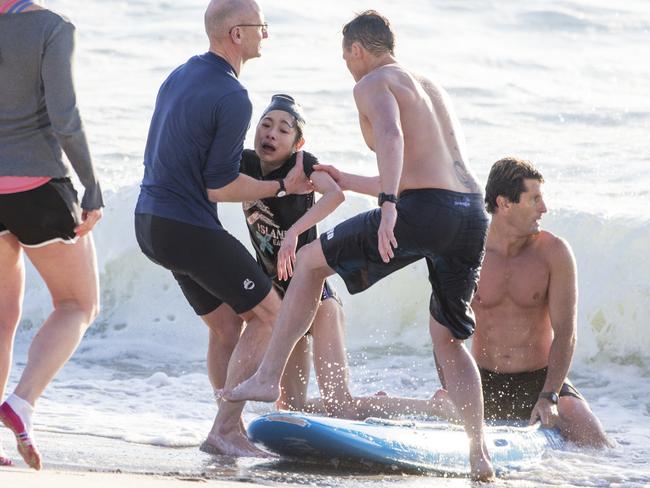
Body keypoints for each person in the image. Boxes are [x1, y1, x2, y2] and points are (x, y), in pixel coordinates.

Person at [223, 11, 494, 480]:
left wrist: (389, 204)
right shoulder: (428, 86)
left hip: (421, 208)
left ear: (356, 50)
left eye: (345, 57)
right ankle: (479, 455)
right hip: (470, 213)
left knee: (308, 262)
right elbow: (423, 174)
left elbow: (391, 139)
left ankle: (268, 377)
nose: (346, 66)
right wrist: (350, 181)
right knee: (449, 339)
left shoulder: (372, 81)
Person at [134, 0, 311, 457]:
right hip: (185, 225)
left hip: (149, 222)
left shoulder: (180, 73)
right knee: (270, 314)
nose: (265, 35)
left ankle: (223, 426)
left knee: (226, 325)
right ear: (237, 34)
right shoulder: (233, 95)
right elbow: (220, 186)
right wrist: (279, 186)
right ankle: (226, 430)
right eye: (261, 27)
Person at [219, 94, 449, 419]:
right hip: (279, 305)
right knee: (291, 407)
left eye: (284, 129)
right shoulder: (244, 164)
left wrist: (294, 232)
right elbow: (213, 181)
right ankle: (376, 403)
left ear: (298, 142)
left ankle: (432, 408)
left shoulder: (303, 165)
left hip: (317, 300)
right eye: (266, 125)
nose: (271, 133)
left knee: (340, 406)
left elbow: (335, 194)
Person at [438, 156, 612, 447]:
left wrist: (549, 396)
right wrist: (451, 387)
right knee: (436, 409)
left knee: (593, 436)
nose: (544, 208)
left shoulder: (553, 253)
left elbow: (566, 334)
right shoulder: (467, 250)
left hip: (538, 382)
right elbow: (444, 330)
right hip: (481, 380)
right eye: (535, 200)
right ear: (504, 203)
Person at [0, 0, 103, 470]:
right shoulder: (51, 27)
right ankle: (21, 402)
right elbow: (65, 116)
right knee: (78, 304)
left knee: (2, 317)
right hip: (38, 186)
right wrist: (92, 185)